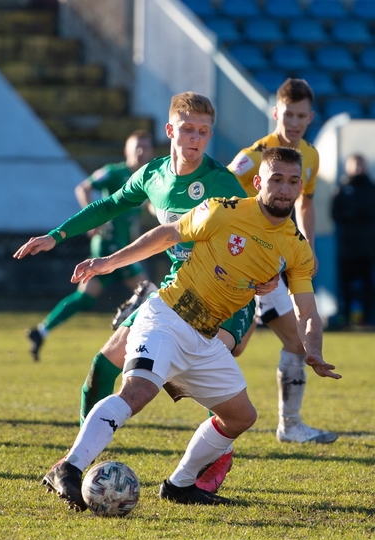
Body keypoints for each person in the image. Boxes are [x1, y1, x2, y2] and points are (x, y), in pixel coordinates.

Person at [38, 147, 341, 511]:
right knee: (137, 391)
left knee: (241, 416)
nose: (284, 189)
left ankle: (179, 485)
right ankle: (67, 467)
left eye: (293, 182)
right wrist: (108, 263)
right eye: (276, 179)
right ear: (258, 182)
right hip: (167, 316)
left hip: (205, 338)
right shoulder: (223, 210)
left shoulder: (296, 248)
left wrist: (314, 348)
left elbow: (306, 309)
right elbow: (166, 235)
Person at [14, 92, 259, 440]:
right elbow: (110, 204)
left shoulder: (220, 181)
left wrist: (265, 276)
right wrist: (57, 236)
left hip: (222, 295)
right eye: (188, 129)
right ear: (170, 130)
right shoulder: (153, 175)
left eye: (204, 132)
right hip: (175, 290)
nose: (196, 138)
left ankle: (205, 472)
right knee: (101, 368)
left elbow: (259, 230)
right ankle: (84, 457)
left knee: (213, 390)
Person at [228, 78, 338, 446]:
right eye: (287, 114)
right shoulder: (256, 152)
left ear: (310, 118)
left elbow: (305, 203)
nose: (293, 122)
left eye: (301, 116)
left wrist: (307, 246)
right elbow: (222, 183)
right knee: (234, 345)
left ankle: (290, 426)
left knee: (295, 343)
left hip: (273, 263)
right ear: (276, 112)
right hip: (236, 260)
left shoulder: (312, 155)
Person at [26, 130, 157, 361]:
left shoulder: (147, 178)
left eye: (145, 147)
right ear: (126, 150)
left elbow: (145, 210)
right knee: (149, 293)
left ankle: (41, 331)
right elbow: (83, 188)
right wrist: (94, 223)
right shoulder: (113, 172)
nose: (140, 151)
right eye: (136, 146)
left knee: (86, 297)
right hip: (109, 246)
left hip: (123, 247)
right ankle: (143, 341)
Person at [330, 154, 375, 327]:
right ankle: (345, 317)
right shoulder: (342, 189)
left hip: (368, 247)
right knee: (345, 284)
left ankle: (369, 318)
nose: (357, 168)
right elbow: (334, 213)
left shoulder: (371, 189)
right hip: (347, 247)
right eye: (354, 165)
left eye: (360, 164)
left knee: (368, 284)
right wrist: (350, 216)